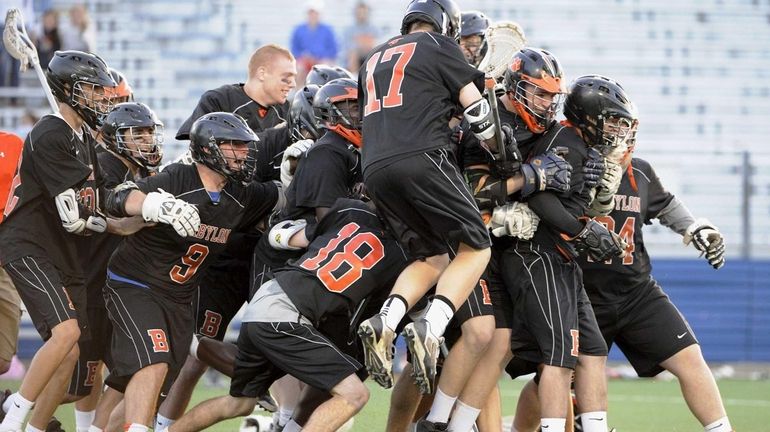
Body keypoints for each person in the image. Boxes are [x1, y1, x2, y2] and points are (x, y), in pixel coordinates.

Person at [356, 0, 505, 397]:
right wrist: (496, 146)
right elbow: (477, 110)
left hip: (375, 169)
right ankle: (431, 325)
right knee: (476, 248)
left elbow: (405, 107)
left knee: (432, 257)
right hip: (422, 157)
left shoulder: (371, 58)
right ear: (446, 25)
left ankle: (386, 321)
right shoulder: (439, 45)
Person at [101, 112, 281, 432]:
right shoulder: (178, 179)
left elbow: (283, 194)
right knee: (154, 364)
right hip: (137, 285)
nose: (244, 153)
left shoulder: (240, 194)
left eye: (244, 146)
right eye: (235, 146)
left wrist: (297, 172)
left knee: (155, 391)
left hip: (179, 298)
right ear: (210, 148)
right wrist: (158, 206)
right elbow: (118, 198)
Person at [164, 198, 408, 432]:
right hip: (288, 314)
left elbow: (291, 238)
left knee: (239, 403)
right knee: (355, 394)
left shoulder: (348, 211)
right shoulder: (403, 254)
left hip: (267, 297)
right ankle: (192, 343)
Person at [156, 44, 296, 430]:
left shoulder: (291, 113)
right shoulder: (221, 101)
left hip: (267, 244)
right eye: (286, 75)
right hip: (223, 247)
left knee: (282, 336)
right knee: (197, 351)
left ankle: (283, 419)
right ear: (262, 72)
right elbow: (199, 160)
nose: (292, 83)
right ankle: (163, 423)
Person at [0, 50, 116, 432]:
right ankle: (12, 417)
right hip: (29, 244)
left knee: (69, 354)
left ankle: (33, 429)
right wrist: (111, 220)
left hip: (60, 252)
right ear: (69, 89)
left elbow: (99, 206)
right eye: (94, 90)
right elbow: (77, 219)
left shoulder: (81, 137)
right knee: (66, 333)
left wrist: (142, 214)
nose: (103, 97)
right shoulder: (52, 132)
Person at [66, 101, 163, 432]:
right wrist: (121, 224)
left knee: (138, 372)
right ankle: (13, 412)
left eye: (150, 132)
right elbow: (94, 206)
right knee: (76, 384)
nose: (148, 139)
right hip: (91, 282)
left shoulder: (138, 172)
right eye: (139, 133)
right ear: (116, 137)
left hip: (120, 288)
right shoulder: (104, 164)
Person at [290, 0, 339, 86]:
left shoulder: (328, 30)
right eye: (311, 13)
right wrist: (304, 56)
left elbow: (333, 50)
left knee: (325, 66)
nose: (313, 15)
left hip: (322, 59)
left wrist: (319, 57)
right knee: (299, 67)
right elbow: (294, 50)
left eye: (315, 13)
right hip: (304, 60)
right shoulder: (298, 29)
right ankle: (298, 91)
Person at [341, 2, 379, 73]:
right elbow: (348, 47)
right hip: (354, 56)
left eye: (363, 12)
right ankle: (354, 76)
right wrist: (362, 45)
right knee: (353, 53)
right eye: (359, 12)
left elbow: (376, 45)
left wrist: (362, 44)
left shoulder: (373, 28)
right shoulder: (349, 29)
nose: (361, 15)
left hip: (368, 54)